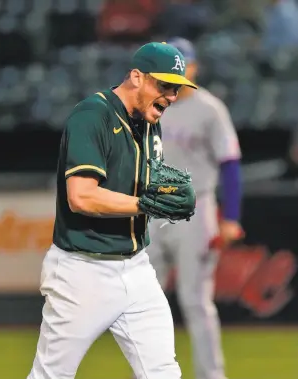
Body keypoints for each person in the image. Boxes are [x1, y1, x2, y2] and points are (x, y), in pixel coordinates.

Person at [26, 41, 197, 379]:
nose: (172, 96)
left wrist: (156, 195)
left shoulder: (150, 122)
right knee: (51, 375)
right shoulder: (93, 115)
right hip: (82, 271)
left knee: (163, 372)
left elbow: (145, 185)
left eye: (176, 87)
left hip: (137, 268)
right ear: (136, 76)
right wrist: (144, 204)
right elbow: (82, 197)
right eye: (164, 85)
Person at [146, 37, 244, 379]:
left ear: (194, 67)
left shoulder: (209, 108)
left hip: (195, 208)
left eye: (183, 63)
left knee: (195, 301)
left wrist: (231, 217)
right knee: (144, 304)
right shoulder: (149, 106)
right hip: (153, 209)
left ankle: (210, 375)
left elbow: (230, 163)